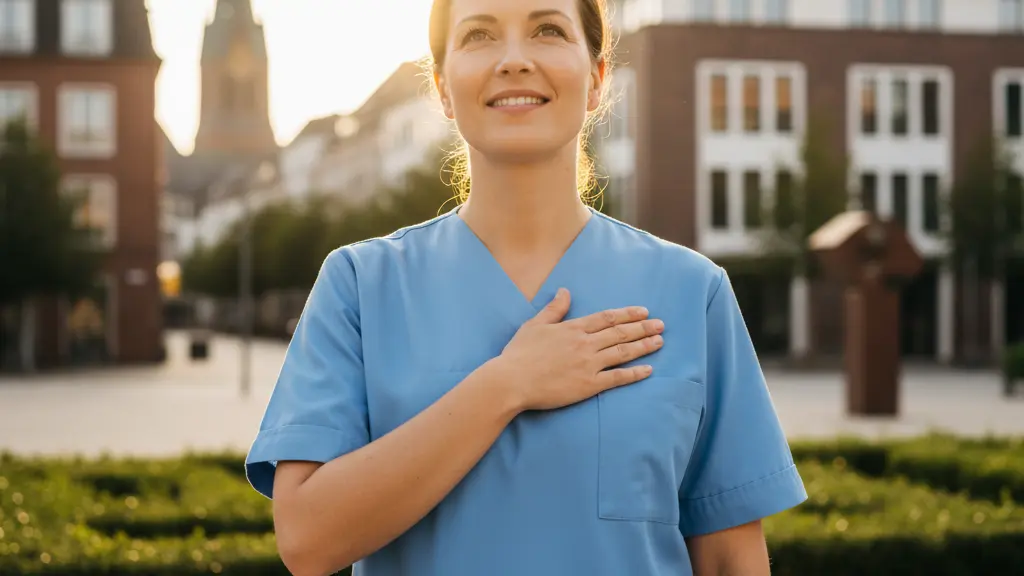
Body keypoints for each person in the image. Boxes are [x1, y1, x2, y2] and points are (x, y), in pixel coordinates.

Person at [244, 0, 807, 574]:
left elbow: (729, 558)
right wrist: (505, 386)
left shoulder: (694, 293)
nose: (514, 60)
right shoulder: (359, 287)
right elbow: (307, 540)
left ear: (596, 78)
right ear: (441, 87)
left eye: (547, 29)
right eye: (480, 36)